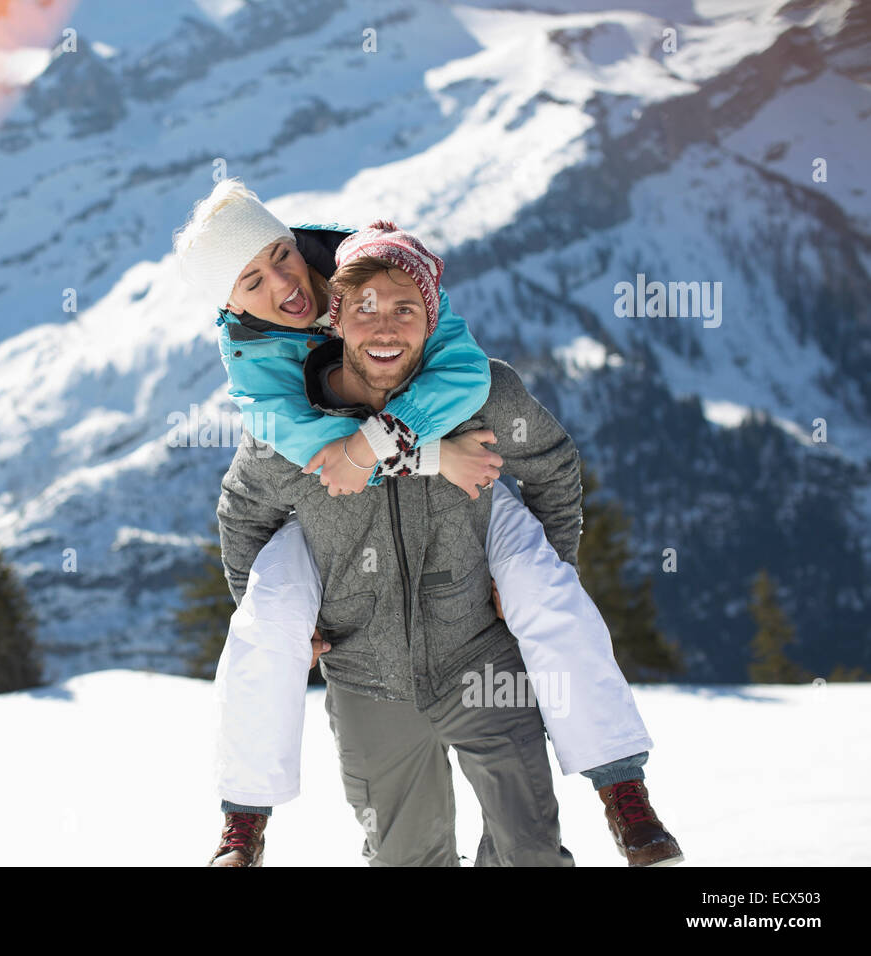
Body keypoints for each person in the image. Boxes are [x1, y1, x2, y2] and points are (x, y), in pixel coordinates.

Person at [175, 181, 681, 867]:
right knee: (266, 622)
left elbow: (508, 419)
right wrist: (433, 456)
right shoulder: (269, 396)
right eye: (252, 280)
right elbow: (282, 486)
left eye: (281, 257)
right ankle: (244, 819)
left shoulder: (395, 303)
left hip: (474, 647)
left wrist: (533, 569)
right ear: (231, 304)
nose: (283, 284)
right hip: (365, 660)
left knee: (544, 589)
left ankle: (622, 784)